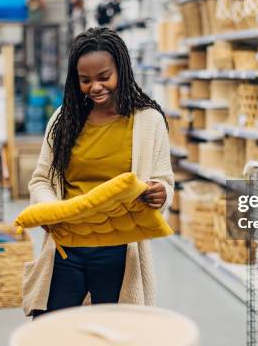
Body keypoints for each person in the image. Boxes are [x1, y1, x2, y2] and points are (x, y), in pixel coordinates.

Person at [22, 27, 174, 317]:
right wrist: (49, 209)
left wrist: (160, 192)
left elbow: (163, 178)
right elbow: (42, 178)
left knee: (115, 330)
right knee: (55, 330)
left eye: (104, 77)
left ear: (122, 71)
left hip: (119, 250)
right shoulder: (64, 120)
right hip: (66, 247)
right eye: (85, 80)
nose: (95, 87)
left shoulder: (148, 121)